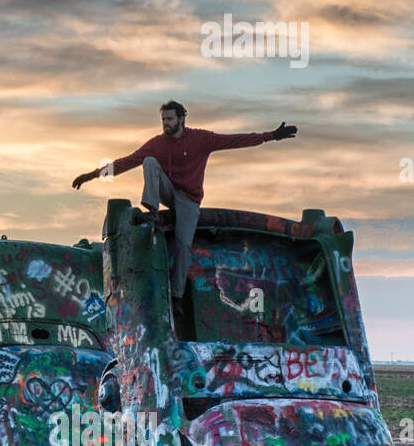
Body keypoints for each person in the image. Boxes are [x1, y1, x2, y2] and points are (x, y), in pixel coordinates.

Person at [71, 101, 297, 316]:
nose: (165, 123)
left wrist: (271, 136)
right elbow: (126, 162)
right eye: (163, 119)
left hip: (189, 199)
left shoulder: (201, 139)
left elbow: (234, 140)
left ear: (181, 119)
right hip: (167, 192)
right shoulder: (158, 143)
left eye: (169, 119)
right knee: (149, 161)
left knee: (182, 245)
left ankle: (177, 297)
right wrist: (92, 175)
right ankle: (154, 212)